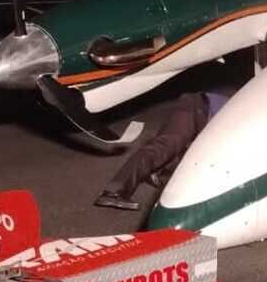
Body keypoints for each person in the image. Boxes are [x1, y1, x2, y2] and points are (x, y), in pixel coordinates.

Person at [95, 88, 235, 211]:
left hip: (198, 108)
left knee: (175, 148)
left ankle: (155, 170)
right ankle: (113, 192)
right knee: (164, 147)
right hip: (200, 107)